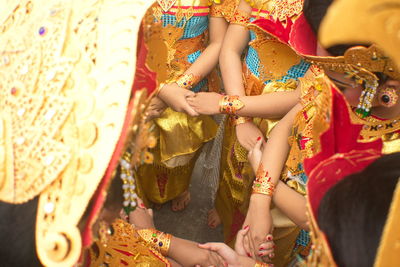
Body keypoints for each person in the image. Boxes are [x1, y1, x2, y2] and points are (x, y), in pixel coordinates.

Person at [187, 0, 315, 265]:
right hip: (243, 98)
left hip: (286, 117)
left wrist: (231, 105)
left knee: (272, 189)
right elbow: (230, 50)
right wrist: (240, 118)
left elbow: (306, 95)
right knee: (232, 166)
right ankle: (229, 214)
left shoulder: (326, 12)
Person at [134, 0, 235, 213]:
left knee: (185, 146)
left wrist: (177, 88)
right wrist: (160, 89)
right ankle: (137, 197)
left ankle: (178, 188)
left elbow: (218, 43)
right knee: (138, 145)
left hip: (190, 85)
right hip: (139, 77)